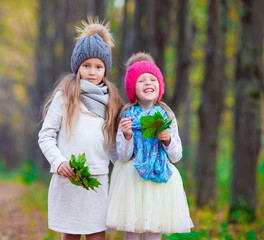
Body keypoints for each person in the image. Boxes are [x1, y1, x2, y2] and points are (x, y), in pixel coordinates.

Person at [38, 18, 122, 240]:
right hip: (70, 177)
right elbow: (46, 136)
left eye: (98, 67)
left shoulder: (111, 100)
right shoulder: (66, 94)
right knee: (71, 233)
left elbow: (113, 144)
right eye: (86, 66)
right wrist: (59, 162)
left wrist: (125, 167)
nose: (92, 72)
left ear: (105, 69)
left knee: (96, 234)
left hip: (98, 179)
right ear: (77, 66)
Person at [106, 52, 194, 240]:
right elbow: (122, 156)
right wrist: (128, 136)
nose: (148, 83)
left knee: (154, 230)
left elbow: (176, 156)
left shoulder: (166, 114)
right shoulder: (127, 114)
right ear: (132, 88)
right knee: (132, 230)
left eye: (153, 79)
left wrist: (168, 140)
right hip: (132, 179)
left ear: (159, 86)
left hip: (159, 179)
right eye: (141, 80)